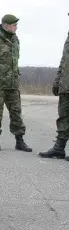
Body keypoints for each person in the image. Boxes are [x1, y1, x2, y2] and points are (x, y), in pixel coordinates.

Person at [0, 14, 31, 152]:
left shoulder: (16, 40)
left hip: (13, 84)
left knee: (16, 112)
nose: (16, 27)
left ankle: (19, 141)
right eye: (14, 25)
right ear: (5, 26)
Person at [39, 19, 69, 160]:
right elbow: (64, 61)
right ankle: (59, 148)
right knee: (63, 117)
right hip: (66, 85)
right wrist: (57, 81)